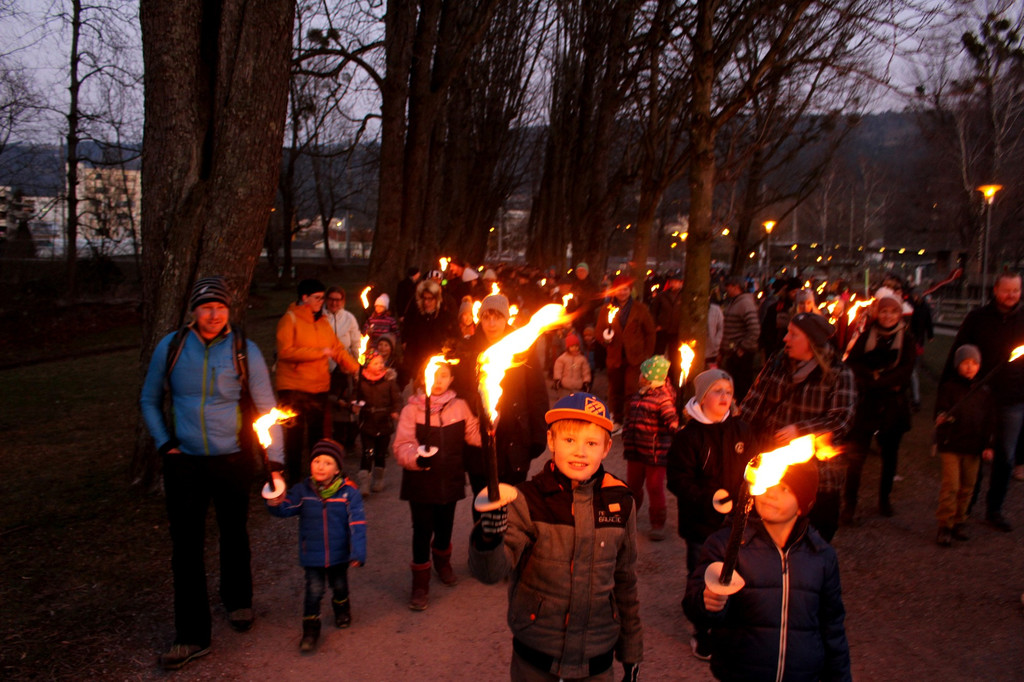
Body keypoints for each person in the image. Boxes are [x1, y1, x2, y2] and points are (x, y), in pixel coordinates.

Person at [140, 276, 285, 671]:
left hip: (233, 459)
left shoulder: (244, 350)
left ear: (229, 310)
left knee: (234, 532)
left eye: (220, 307)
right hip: (184, 462)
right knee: (186, 548)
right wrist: (164, 444)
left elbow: (267, 406)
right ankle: (191, 635)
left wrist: (276, 462)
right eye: (206, 307)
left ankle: (238, 600)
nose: (214, 315)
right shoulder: (170, 348)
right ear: (193, 311)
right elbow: (150, 399)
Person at [468, 392, 643, 681]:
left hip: (596, 659)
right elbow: (491, 572)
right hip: (536, 657)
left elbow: (625, 581)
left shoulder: (621, 502)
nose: (580, 452)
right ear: (551, 441)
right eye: (569, 440)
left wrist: (632, 652)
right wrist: (489, 539)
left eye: (591, 443)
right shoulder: (527, 500)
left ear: (607, 447)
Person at [683, 460, 852, 681]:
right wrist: (706, 602)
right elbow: (694, 605)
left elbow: (832, 625)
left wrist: (840, 677)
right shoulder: (727, 544)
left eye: (784, 489)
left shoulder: (821, 555)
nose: (772, 494)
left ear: (803, 503)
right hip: (742, 671)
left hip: (802, 674)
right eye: (768, 484)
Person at [739, 312, 856, 542]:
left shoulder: (839, 373)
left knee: (812, 544)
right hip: (771, 473)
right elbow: (752, 405)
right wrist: (733, 431)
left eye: (793, 334)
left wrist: (801, 431)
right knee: (765, 542)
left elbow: (842, 419)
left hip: (818, 479)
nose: (785, 339)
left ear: (811, 341)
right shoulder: (776, 364)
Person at [666, 368, 752, 660]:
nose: (724, 397)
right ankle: (702, 631)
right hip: (701, 525)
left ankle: (728, 625)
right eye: (717, 391)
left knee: (736, 573)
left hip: (736, 522)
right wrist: (708, 497)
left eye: (728, 392)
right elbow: (677, 480)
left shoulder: (740, 429)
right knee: (703, 575)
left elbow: (754, 464)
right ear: (702, 397)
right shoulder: (688, 437)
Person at [393, 361, 481, 610]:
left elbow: (473, 433)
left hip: (449, 479)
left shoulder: (460, 406)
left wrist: (490, 429)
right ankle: (420, 582)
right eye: (433, 376)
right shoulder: (412, 410)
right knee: (422, 530)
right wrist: (416, 459)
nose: (438, 380)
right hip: (421, 483)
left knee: (445, 526)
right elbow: (402, 445)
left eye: (444, 375)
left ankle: (442, 562)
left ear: (452, 378)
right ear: (423, 378)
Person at [266, 439, 366, 653]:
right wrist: (274, 500)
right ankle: (310, 630)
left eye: (328, 463)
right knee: (314, 591)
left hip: (340, 554)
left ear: (338, 468)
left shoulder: (349, 493)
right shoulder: (302, 491)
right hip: (312, 554)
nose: (320, 466)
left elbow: (357, 523)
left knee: (339, 585)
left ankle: (342, 609)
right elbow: (285, 509)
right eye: (317, 461)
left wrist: (357, 551)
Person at [453, 294, 549, 513]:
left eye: (497, 317)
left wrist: (537, 436)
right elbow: (458, 392)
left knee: (511, 503)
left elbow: (536, 392)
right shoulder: (468, 350)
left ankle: (510, 546)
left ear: (506, 318)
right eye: (487, 317)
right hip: (479, 436)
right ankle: (483, 545)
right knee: (483, 501)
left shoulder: (522, 348)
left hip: (515, 435)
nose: (492, 323)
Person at [944, 272, 1024, 532]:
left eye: (1016, 290)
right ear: (995, 290)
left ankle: (995, 509)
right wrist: (950, 388)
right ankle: (965, 507)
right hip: (979, 396)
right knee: (972, 452)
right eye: (1006, 290)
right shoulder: (978, 318)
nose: (1011, 295)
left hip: (1014, 398)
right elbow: (958, 351)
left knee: (1005, 455)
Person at [276, 278, 360, 485]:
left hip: (318, 387)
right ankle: (294, 478)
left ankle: (317, 476)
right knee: (294, 435)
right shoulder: (290, 319)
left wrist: (358, 370)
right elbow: (285, 352)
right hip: (293, 388)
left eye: (322, 298)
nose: (321, 302)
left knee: (317, 435)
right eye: (317, 298)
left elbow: (338, 349)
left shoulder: (322, 322)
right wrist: (318, 353)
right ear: (304, 298)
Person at [842, 292, 916, 521]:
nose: (888, 316)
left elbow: (905, 369)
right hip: (867, 403)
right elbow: (852, 362)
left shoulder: (907, 338)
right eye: (884, 311)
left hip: (893, 404)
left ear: (899, 314)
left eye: (893, 312)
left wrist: (880, 381)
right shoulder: (866, 335)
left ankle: (885, 499)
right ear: (877, 313)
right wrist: (869, 379)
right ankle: (850, 504)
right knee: (856, 456)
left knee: (890, 455)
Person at [934, 345, 995, 546]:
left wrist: (988, 445)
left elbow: (989, 420)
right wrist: (942, 419)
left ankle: (959, 520)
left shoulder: (984, 391)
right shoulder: (949, 388)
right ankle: (945, 525)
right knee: (951, 486)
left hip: (973, 447)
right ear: (958, 365)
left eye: (974, 363)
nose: (970, 367)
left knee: (967, 487)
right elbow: (940, 411)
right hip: (951, 445)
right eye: (965, 363)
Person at [622, 355, 679, 541]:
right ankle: (629, 517)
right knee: (633, 486)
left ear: (649, 376)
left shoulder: (663, 398)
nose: (639, 375)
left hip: (655, 453)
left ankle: (657, 524)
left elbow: (671, 421)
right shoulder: (640, 394)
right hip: (635, 449)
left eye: (642, 372)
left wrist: (677, 425)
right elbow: (631, 417)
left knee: (654, 488)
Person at [596, 274, 656, 431]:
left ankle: (630, 420)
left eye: (625, 290)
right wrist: (605, 340)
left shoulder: (640, 309)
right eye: (619, 290)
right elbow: (599, 331)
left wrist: (647, 354)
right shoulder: (606, 309)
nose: (622, 293)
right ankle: (617, 419)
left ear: (630, 290)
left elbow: (650, 332)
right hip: (615, 355)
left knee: (631, 389)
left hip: (635, 357)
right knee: (615, 390)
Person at [352, 348, 402, 496]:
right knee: (367, 452)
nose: (380, 365)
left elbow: (397, 399)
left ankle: (378, 478)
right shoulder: (361, 381)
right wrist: (354, 405)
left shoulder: (389, 381)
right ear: (367, 366)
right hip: (367, 422)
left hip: (384, 421)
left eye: (381, 362)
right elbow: (355, 396)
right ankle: (365, 482)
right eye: (375, 363)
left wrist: (395, 410)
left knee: (380, 452)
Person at [324, 287, 362, 450]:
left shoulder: (349, 318)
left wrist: (356, 365)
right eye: (331, 299)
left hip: (344, 366)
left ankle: (347, 436)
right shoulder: (321, 318)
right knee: (328, 399)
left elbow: (356, 342)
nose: (334, 302)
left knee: (345, 398)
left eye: (338, 299)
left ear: (343, 301)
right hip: (325, 366)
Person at [720, 276, 761, 401]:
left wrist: (741, 348)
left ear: (736, 287)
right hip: (733, 353)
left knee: (741, 387)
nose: (727, 290)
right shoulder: (735, 302)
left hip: (741, 356)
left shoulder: (745, 303)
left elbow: (754, 329)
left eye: (729, 287)